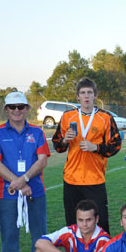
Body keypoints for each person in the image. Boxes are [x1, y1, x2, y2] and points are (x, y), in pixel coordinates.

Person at [0, 91, 50, 252]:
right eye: (12, 107)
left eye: (20, 107)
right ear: (7, 109)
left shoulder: (37, 132)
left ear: (26, 109)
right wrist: (16, 183)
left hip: (35, 191)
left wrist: (24, 179)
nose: (17, 111)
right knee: (9, 233)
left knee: (39, 233)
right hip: (7, 193)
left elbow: (42, 161)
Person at [52, 77, 121, 233]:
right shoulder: (68, 116)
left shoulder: (105, 117)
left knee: (100, 222)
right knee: (72, 223)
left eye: (90, 92)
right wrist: (65, 140)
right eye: (83, 93)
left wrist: (96, 147)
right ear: (78, 96)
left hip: (94, 178)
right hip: (71, 178)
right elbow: (57, 146)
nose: (86, 96)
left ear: (95, 95)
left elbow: (115, 145)